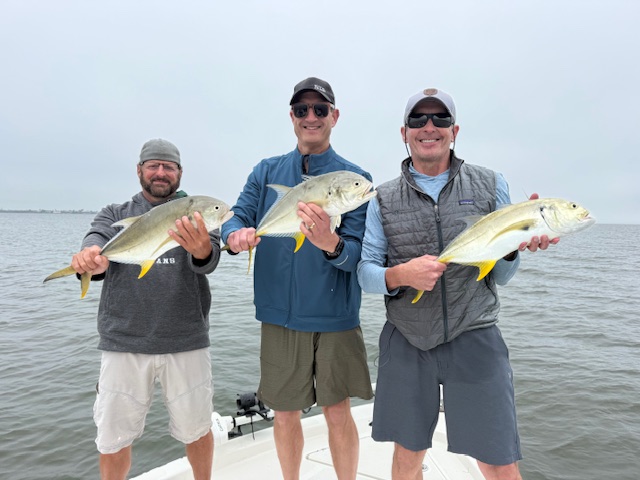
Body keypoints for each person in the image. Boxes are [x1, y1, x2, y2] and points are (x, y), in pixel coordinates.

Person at [357, 88, 559, 480]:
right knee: (407, 456)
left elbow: (502, 276)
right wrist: (401, 275)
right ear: (404, 132)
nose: (429, 127)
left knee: (499, 460)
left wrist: (514, 249)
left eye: (440, 119)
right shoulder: (381, 198)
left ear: (455, 130)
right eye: (418, 119)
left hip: (475, 331)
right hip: (407, 338)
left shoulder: (491, 183)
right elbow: (366, 272)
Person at [221, 77, 374, 480]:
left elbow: (359, 255)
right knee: (285, 413)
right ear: (292, 116)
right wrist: (234, 235)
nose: (311, 117)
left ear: (334, 116)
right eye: (302, 110)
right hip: (280, 314)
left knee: (338, 411)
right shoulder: (266, 171)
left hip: (335, 315)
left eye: (320, 109)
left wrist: (331, 243)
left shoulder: (355, 180)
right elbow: (237, 215)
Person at [69, 139, 219, 480]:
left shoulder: (197, 211)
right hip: (124, 341)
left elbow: (209, 260)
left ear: (180, 173)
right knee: (113, 438)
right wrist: (90, 256)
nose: (160, 172)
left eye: (168, 167)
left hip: (186, 339)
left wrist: (201, 249)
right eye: (153, 165)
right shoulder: (115, 213)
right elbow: (96, 238)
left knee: (197, 429)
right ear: (139, 170)